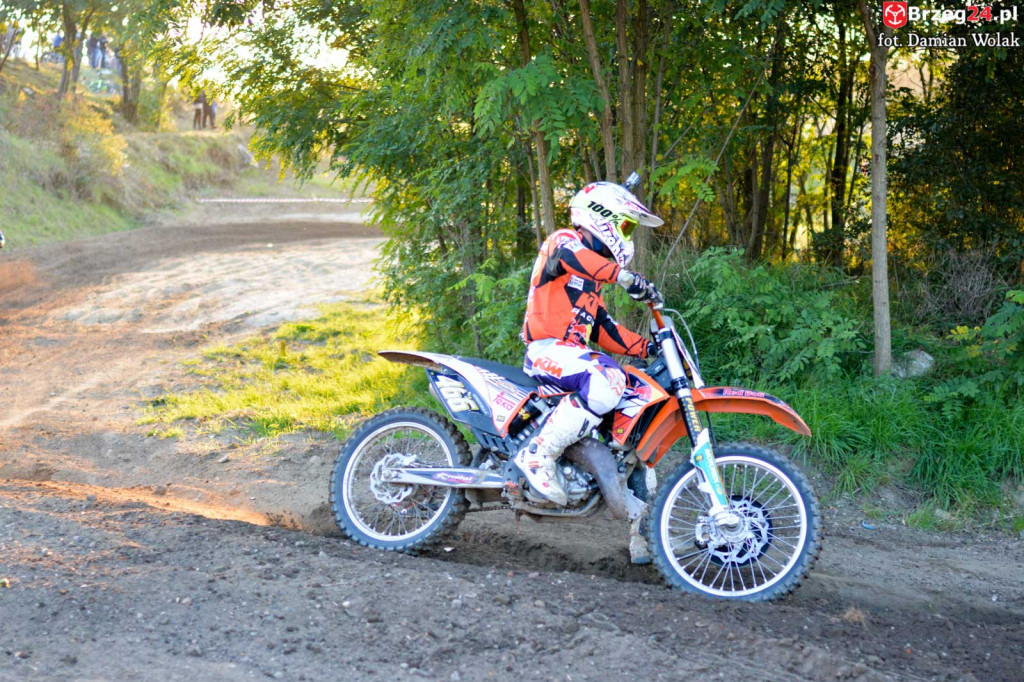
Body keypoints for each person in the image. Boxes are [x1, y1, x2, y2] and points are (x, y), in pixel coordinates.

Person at [514, 181, 664, 505]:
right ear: (602, 215)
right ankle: (539, 455)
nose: (627, 234)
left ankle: (638, 520)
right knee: (607, 378)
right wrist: (623, 277)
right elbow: (576, 259)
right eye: (625, 225)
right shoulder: (563, 243)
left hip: (572, 356)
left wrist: (648, 348)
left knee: (638, 392)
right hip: (546, 350)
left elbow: (604, 329)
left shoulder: (592, 283)